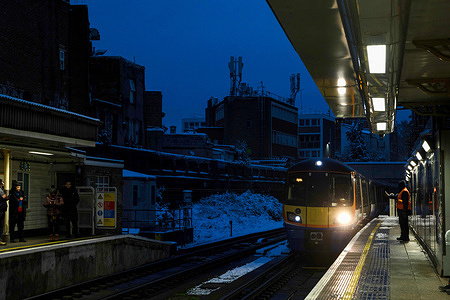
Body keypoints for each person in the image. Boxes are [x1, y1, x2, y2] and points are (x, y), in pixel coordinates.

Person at [0, 179, 7, 245]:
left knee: (1, 225)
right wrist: (3, 198)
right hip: (0, 209)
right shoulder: (0, 190)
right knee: (0, 225)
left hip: (2, 208)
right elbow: (1, 198)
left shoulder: (1, 190)